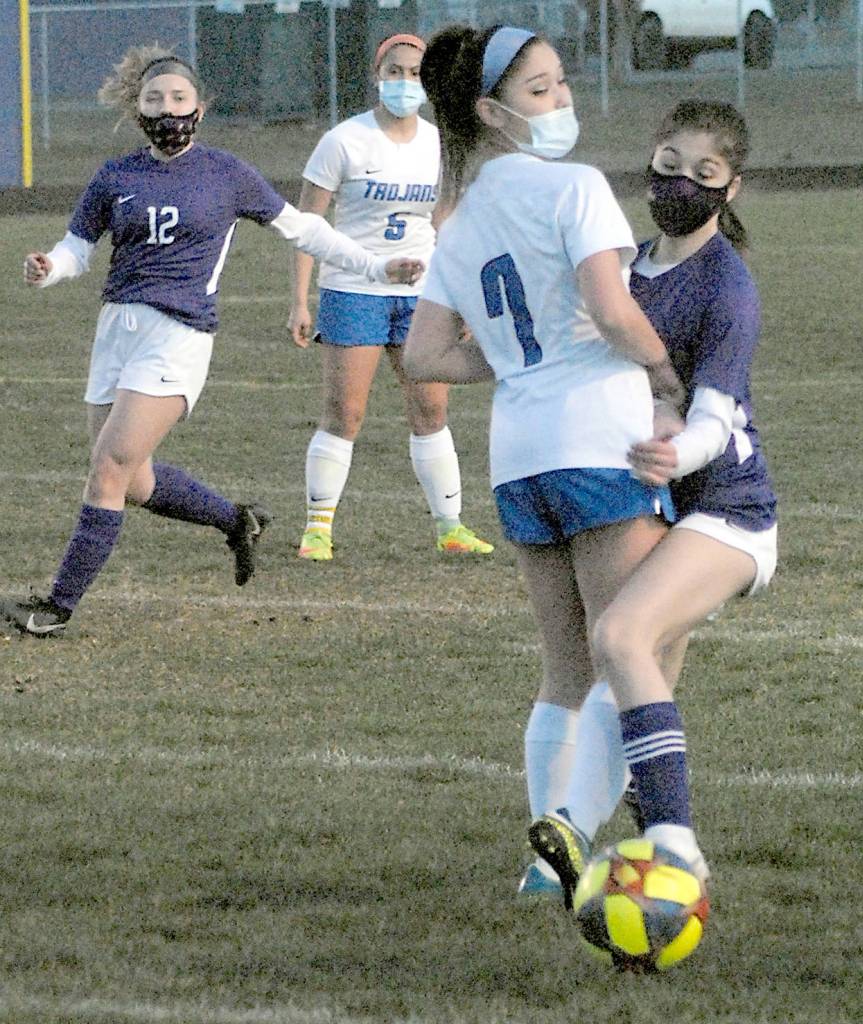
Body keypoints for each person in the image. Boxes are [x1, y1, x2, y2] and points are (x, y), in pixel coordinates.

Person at [401, 25, 689, 898]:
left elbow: (420, 356)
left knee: (566, 661)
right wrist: (665, 368)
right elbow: (611, 312)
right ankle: (575, 831)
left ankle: (543, 864)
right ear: (489, 110)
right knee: (640, 649)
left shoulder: (459, 220)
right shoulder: (574, 187)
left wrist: (511, 360)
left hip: (517, 456)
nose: (560, 100)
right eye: (539, 90)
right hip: (598, 443)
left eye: (560, 83)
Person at [1, 45, 422, 638]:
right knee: (136, 480)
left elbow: (305, 230)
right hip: (116, 331)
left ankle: (56, 607)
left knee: (108, 471)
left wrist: (377, 269)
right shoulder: (116, 175)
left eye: (178, 98)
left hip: (177, 334)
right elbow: (77, 248)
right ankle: (236, 521)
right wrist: (51, 266)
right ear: (137, 109)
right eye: (154, 99)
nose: (167, 108)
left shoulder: (226, 173)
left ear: (200, 107)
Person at [527, 100, 779, 905]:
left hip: (728, 511)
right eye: (666, 162)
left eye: (702, 174)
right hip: (650, 505)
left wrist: (675, 448)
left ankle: (675, 847)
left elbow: (715, 417)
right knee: (631, 664)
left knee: (623, 635)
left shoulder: (726, 285)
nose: (677, 182)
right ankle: (566, 841)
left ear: (730, 188)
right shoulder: (622, 270)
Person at [287, 32, 493, 562]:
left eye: (415, 73)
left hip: (422, 296)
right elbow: (306, 224)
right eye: (394, 72)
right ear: (378, 76)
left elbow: (447, 223)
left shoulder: (440, 141)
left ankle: (451, 527)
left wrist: (463, 295)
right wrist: (300, 299)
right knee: (346, 413)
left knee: (431, 407)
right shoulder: (343, 141)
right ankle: (317, 529)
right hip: (354, 290)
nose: (405, 83)